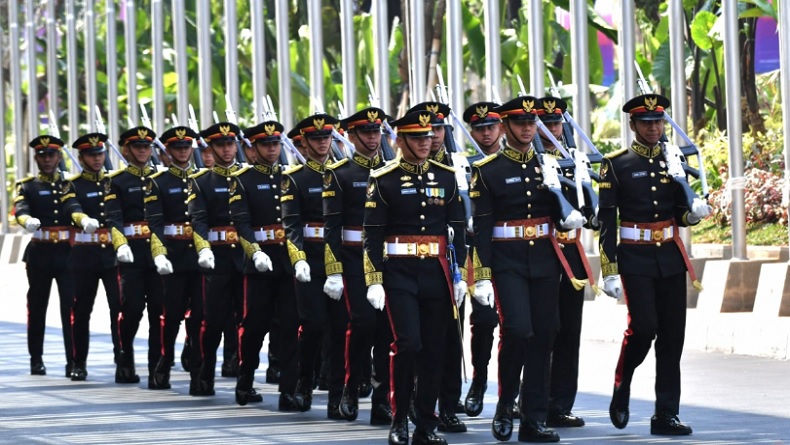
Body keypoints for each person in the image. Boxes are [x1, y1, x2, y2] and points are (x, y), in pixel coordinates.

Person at [470, 96, 584, 443]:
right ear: (504, 126)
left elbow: (573, 213)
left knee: (545, 334)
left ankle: (533, 419)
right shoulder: (487, 171)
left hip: (545, 261)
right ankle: (506, 404)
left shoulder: (549, 164)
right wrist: (483, 275)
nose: (526, 128)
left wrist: (570, 186)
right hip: (508, 262)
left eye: (531, 122)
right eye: (519, 122)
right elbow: (483, 230)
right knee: (518, 331)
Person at [599, 93, 709, 436]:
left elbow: (681, 211)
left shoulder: (673, 160)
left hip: (670, 258)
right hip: (635, 257)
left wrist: (692, 215)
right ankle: (623, 382)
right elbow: (607, 221)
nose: (653, 128)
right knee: (644, 328)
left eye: (658, 122)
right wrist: (609, 269)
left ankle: (666, 414)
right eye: (646, 122)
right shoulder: (615, 164)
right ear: (633, 125)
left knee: (672, 337)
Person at [364, 110, 468, 445]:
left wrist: (461, 274)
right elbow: (372, 235)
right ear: (399, 140)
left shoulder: (447, 176)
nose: (425, 143)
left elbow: (459, 232)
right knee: (408, 344)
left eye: (428, 137)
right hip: (399, 274)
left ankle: (426, 422)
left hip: (436, 274)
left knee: (435, 350)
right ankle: (399, 419)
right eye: (416, 137)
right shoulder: (384, 179)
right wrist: (374, 279)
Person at [323, 107, 392, 424]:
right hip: (352, 260)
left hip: (387, 259)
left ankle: (382, 400)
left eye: (376, 132)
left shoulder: (391, 171)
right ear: (350, 137)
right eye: (366, 132)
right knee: (361, 324)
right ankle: (350, 387)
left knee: (388, 331)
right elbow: (332, 228)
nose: (373, 138)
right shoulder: (339, 174)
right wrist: (334, 269)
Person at [228, 120, 300, 410]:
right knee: (254, 326)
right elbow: (241, 223)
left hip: (287, 262)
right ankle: (245, 382)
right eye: (265, 145)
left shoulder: (289, 177)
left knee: (290, 326)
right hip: (258, 265)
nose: (272, 150)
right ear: (253, 148)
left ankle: (288, 390)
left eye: (275, 144)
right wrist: (255, 252)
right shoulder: (242, 180)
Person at [14, 134, 99, 377]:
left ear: (59, 156)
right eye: (42, 155)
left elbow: (74, 208)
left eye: (51, 154)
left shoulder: (68, 185)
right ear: (36, 158)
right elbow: (20, 209)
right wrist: (26, 220)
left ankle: (73, 361)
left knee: (70, 309)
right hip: (39, 254)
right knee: (37, 308)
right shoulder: (28, 186)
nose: (47, 159)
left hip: (67, 254)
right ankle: (36, 359)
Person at [536, 96, 598, 428]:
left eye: (557, 122)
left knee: (569, 332)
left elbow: (589, 210)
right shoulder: (527, 161)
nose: (552, 129)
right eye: (545, 124)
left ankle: (560, 403)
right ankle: (531, 397)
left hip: (570, 254)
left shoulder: (575, 161)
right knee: (543, 330)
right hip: (540, 252)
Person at [281, 113, 349, 417]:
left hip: (342, 263)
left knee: (340, 329)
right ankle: (304, 382)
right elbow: (291, 225)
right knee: (313, 327)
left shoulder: (343, 175)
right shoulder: (294, 178)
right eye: (316, 139)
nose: (322, 144)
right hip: (310, 262)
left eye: (326, 138)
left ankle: (336, 395)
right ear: (304, 144)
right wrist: (298, 259)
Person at [144, 126, 204, 390]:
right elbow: (154, 223)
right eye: (178, 148)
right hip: (173, 258)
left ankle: (196, 364)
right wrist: (160, 254)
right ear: (168, 151)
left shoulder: (202, 178)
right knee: (171, 316)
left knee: (200, 315)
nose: (183, 152)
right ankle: (164, 360)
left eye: (186, 147)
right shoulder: (158, 182)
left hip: (202, 257)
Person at [187, 122, 245, 397]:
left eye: (230, 143)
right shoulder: (201, 181)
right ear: (211, 148)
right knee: (213, 322)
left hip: (245, 259)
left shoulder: (248, 177)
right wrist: (203, 249)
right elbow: (198, 221)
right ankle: (203, 373)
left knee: (247, 322)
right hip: (217, 260)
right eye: (220, 144)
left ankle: (244, 379)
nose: (226, 149)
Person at [106, 126, 164, 386]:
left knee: (158, 313)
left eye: (146, 147)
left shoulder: (161, 178)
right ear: (126, 150)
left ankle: (156, 369)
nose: (142, 151)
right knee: (131, 310)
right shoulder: (116, 181)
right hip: (131, 255)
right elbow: (114, 218)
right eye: (137, 147)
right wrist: (120, 245)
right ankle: (125, 358)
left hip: (159, 255)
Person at [460, 101, 503, 418]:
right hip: (476, 253)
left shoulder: (515, 160)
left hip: (511, 251)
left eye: (491, 127)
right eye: (480, 129)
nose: (486, 133)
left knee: (518, 328)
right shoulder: (463, 164)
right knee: (484, 322)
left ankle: (510, 392)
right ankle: (478, 381)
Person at [68, 132, 122, 380]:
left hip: (112, 256)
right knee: (81, 312)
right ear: (82, 157)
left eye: (100, 153)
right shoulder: (73, 185)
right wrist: (83, 220)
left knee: (118, 310)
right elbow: (72, 208)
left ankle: (122, 359)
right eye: (91, 154)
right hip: (85, 257)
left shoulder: (114, 182)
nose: (97, 158)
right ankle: (79, 362)